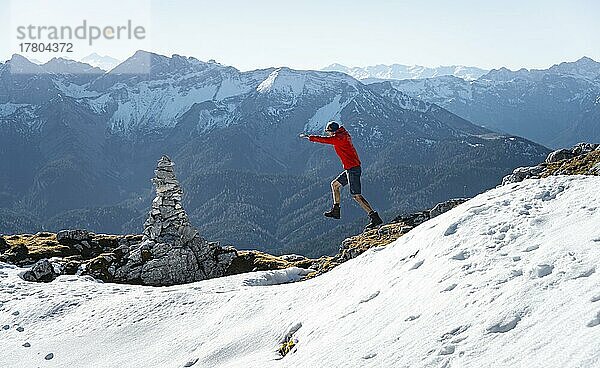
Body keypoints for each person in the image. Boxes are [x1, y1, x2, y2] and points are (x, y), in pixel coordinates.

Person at [300, 121, 383, 231]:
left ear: (333, 131)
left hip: (353, 169)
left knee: (356, 196)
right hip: (351, 168)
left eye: (328, 132)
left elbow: (324, 140)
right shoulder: (342, 135)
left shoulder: (339, 138)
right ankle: (336, 210)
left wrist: (310, 137)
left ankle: (374, 217)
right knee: (335, 185)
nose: (328, 134)